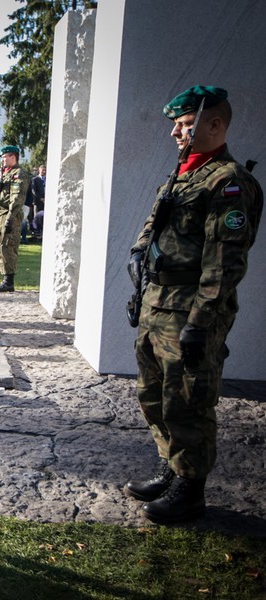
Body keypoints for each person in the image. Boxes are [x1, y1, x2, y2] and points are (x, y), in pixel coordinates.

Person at [124, 86, 262, 524]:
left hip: (191, 309)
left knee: (188, 400)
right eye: (175, 125)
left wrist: (200, 324)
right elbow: (153, 226)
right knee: (153, 395)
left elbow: (224, 264)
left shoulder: (229, 182)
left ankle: (190, 489)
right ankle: (171, 468)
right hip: (157, 303)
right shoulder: (182, 175)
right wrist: (138, 259)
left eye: (184, 124)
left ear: (215, 125)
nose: (175, 133)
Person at [0, 146, 29, 292]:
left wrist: (10, 218)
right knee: (1, 246)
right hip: (2, 213)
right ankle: (5, 278)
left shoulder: (18, 174)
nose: (2, 160)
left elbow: (17, 198)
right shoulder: (7, 172)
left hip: (11, 214)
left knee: (8, 246)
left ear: (13, 157)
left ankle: (9, 281)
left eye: (5, 157)